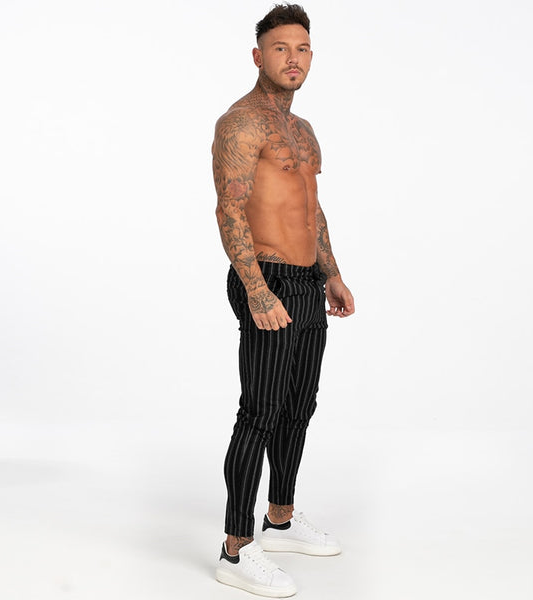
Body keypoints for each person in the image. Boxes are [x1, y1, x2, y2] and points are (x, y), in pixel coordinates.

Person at [211, 4, 355, 597]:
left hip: (306, 279)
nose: (293, 58)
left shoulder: (304, 130)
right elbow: (230, 208)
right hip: (264, 277)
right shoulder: (240, 123)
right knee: (260, 411)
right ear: (258, 56)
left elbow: (310, 208)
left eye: (302, 49)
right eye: (280, 48)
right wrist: (256, 289)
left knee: (299, 406)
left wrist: (332, 272)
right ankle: (234, 549)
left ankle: (281, 519)